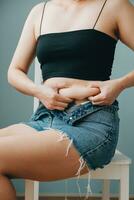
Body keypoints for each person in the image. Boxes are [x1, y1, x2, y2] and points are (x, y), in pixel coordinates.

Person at [1, 0, 134, 199]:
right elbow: (14, 71)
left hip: (90, 123)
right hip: (45, 119)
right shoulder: (40, 11)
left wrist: (119, 84)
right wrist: (39, 91)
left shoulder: (114, 5)